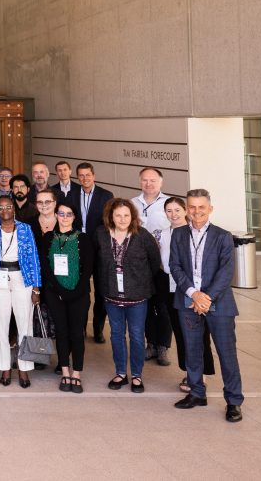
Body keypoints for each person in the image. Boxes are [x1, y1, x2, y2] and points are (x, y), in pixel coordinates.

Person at [170, 189, 244, 422]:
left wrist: (206, 297)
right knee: (192, 351)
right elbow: (175, 266)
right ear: (187, 209)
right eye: (192, 207)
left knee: (226, 354)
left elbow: (226, 271)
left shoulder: (223, 236)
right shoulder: (179, 234)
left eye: (201, 207)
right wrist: (193, 293)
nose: (196, 211)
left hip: (218, 304)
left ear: (210, 208)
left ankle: (233, 401)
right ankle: (197, 393)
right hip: (188, 301)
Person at [95, 198, 162, 394]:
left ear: (132, 216)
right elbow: (97, 262)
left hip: (137, 297)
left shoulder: (142, 236)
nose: (122, 219)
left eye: (126, 215)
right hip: (112, 295)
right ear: (111, 217)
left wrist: (138, 280)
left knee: (136, 336)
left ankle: (137, 375)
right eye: (118, 215)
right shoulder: (101, 234)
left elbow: (154, 261)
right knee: (116, 335)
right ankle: (121, 373)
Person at [0, 195, 41, 388]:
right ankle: (5, 367)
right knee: (0, 324)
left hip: (22, 279)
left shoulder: (25, 228)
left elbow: (33, 257)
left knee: (25, 325)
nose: (5, 211)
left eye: (8, 207)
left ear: (14, 209)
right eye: (1, 207)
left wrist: (36, 288)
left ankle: (24, 368)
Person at [157, 197, 215, 392]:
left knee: (199, 333)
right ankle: (188, 373)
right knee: (181, 333)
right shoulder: (164, 234)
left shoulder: (194, 233)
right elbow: (164, 262)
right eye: (169, 211)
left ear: (185, 211)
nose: (173, 214)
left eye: (177, 210)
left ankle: (202, 375)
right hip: (170, 287)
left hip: (192, 288)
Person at [38, 203, 95, 394]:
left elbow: (88, 268)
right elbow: (45, 267)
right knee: (61, 332)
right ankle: (64, 371)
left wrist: (74, 290)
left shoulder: (84, 239)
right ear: (56, 215)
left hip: (79, 294)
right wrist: (58, 289)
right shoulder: (47, 238)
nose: (64, 217)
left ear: (74, 217)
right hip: (55, 293)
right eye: (61, 213)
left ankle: (76, 373)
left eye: (68, 214)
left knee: (77, 333)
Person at [132, 167, 172, 365]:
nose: (148, 183)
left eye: (153, 180)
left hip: (162, 265)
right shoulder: (132, 204)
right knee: (145, 306)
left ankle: (163, 346)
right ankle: (151, 344)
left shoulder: (168, 204)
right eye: (145, 180)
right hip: (139, 265)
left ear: (161, 182)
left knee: (163, 306)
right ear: (140, 181)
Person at [73, 162, 114, 343]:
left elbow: (108, 223)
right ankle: (80, 327)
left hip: (99, 249)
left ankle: (98, 328)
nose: (84, 178)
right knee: (80, 289)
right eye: (81, 175)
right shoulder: (71, 195)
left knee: (101, 291)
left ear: (94, 175)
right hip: (77, 248)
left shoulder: (106, 196)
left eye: (87, 175)